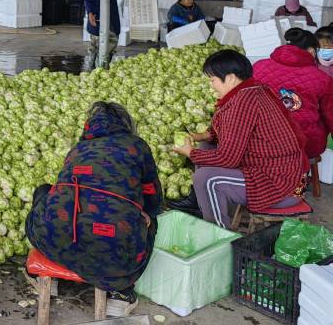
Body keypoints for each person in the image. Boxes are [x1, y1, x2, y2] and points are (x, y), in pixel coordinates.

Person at [26, 102, 162, 315]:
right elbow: (154, 199)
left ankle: (42, 276)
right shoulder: (137, 146)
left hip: (52, 241)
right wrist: (142, 212)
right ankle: (121, 292)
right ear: (126, 125)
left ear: (89, 127)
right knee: (151, 221)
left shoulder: (77, 149)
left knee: (44, 191)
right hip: (114, 257)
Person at [173, 50, 307, 229]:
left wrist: (189, 152)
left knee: (205, 178)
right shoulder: (251, 91)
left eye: (212, 80)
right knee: (206, 146)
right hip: (275, 171)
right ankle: (207, 205)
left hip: (282, 186)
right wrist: (201, 136)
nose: (211, 85)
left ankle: (219, 236)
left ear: (230, 78)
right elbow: (231, 132)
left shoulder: (243, 103)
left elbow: (228, 159)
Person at [252, 28, 333, 159]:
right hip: (304, 144)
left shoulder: (258, 66)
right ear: (312, 51)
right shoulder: (322, 78)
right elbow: (331, 115)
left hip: (260, 139)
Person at [84, 0, 144, 69]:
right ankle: (91, 67)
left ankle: (104, 67)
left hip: (112, 10)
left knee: (113, 37)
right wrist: (90, 13)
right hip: (97, 10)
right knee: (96, 40)